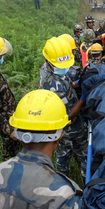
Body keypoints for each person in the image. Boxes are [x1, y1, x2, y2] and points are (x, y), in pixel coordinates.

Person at [39, 37, 88, 177]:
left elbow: (64, 82)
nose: (65, 69)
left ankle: (61, 176)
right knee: (83, 151)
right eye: (61, 66)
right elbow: (68, 115)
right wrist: (82, 99)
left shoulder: (47, 68)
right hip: (70, 127)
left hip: (57, 128)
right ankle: (84, 180)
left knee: (62, 152)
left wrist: (75, 84)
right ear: (49, 62)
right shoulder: (54, 85)